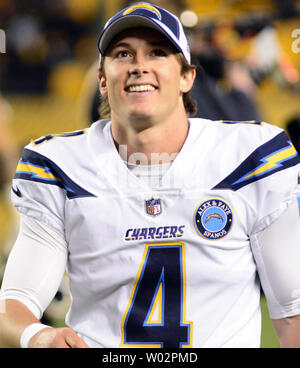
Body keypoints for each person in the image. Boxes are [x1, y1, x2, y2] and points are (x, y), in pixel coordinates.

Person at [0, 2, 300, 349]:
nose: (139, 66)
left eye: (157, 52)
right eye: (123, 54)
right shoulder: (61, 167)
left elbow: (292, 312)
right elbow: (14, 307)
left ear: (187, 77)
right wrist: (37, 335)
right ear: (102, 80)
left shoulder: (249, 158)